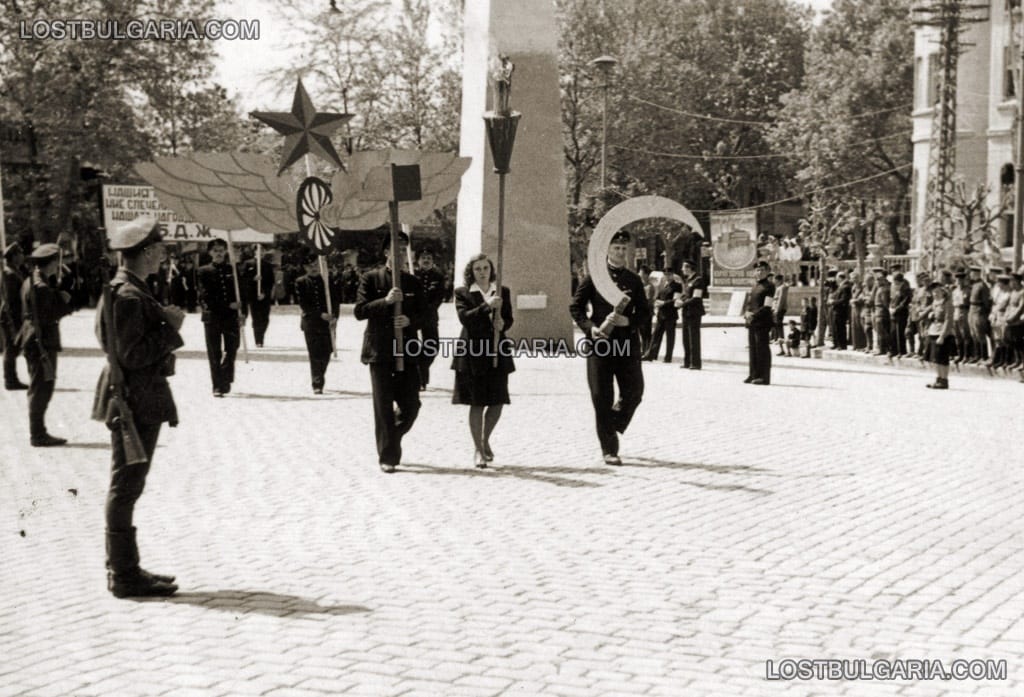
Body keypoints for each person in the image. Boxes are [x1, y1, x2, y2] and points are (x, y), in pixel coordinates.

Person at [93, 217, 183, 598]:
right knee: (126, 485)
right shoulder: (128, 295)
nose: (162, 255)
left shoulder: (128, 289)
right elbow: (133, 355)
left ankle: (125, 568)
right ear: (145, 252)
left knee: (128, 484)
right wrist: (170, 327)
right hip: (136, 399)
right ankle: (124, 574)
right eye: (159, 249)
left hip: (135, 397)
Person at [569, 230, 651, 466]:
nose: (620, 252)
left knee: (635, 391)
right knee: (601, 396)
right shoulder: (595, 277)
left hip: (626, 343)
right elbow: (576, 307)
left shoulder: (633, 280)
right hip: (600, 344)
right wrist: (589, 328)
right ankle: (609, 449)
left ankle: (611, 423)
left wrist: (630, 321)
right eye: (616, 248)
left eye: (624, 249)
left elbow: (645, 313)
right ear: (608, 250)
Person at [354, 232, 426, 473]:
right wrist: (385, 301)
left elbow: (426, 316)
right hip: (380, 351)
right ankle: (388, 456)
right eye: (395, 249)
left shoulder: (414, 282)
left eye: (404, 249)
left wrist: (410, 320)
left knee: (411, 406)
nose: (400, 254)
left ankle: (390, 437)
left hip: (406, 350)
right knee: (383, 406)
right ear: (386, 252)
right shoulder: (371, 278)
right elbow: (360, 311)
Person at [451, 253, 514, 468]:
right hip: (472, 352)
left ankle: (485, 439)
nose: (482, 272)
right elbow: (465, 318)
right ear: (471, 272)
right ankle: (478, 448)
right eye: (477, 269)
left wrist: (503, 325)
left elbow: (509, 319)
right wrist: (487, 306)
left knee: (497, 400)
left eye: (485, 268)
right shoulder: (462, 293)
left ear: (491, 270)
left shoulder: (502, 291)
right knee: (477, 401)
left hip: (497, 350)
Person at [18, 244, 76, 446]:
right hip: (41, 340)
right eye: (55, 262)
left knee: (39, 386)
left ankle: (38, 431)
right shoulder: (41, 287)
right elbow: (48, 315)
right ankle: (38, 434)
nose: (57, 267)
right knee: (42, 387)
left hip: (33, 337)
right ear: (50, 263)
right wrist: (63, 301)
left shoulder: (32, 281)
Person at [197, 238, 243, 397]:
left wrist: (242, 313)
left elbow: (241, 294)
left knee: (233, 348)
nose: (219, 254)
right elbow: (205, 296)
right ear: (210, 253)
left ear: (226, 252)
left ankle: (225, 375)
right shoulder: (203, 271)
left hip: (231, 317)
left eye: (221, 250)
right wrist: (227, 305)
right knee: (214, 352)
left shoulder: (234, 271)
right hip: (213, 317)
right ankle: (217, 385)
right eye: (215, 251)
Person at [294, 252, 340, 394]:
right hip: (311, 322)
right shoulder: (301, 282)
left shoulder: (327, 280)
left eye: (315, 265)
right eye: (309, 266)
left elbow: (335, 301)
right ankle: (317, 383)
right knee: (314, 353)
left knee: (327, 351)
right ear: (305, 267)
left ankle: (320, 375)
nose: (313, 268)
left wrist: (335, 318)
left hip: (328, 323)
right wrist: (320, 314)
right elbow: (303, 304)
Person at [415, 249, 447, 390]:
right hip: (413, 316)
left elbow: (439, 297)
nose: (426, 260)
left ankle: (421, 373)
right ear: (418, 261)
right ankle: (420, 380)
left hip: (429, 316)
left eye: (429, 258)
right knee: (411, 347)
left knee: (432, 348)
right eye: (423, 258)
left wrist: (428, 309)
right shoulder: (412, 275)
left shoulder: (438, 276)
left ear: (433, 261)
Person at [742, 260, 776, 385]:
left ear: (767, 272)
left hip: (762, 321)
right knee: (753, 349)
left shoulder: (770, 286)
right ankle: (753, 374)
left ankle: (763, 376)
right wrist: (746, 313)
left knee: (762, 349)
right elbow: (749, 303)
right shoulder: (755, 286)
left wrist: (753, 315)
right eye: (757, 270)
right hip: (752, 321)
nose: (759, 272)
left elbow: (767, 306)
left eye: (762, 270)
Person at [2, 242, 28, 390]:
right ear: (14, 257)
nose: (23, 256)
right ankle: (10, 380)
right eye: (20, 254)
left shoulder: (15, 271)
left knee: (12, 348)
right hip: (10, 316)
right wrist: (14, 322)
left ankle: (11, 378)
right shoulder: (9, 274)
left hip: (13, 315)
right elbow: (11, 300)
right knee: (10, 349)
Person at [643, 267, 681, 362]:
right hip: (661, 314)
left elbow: (675, 300)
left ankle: (668, 357)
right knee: (656, 335)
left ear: (673, 275)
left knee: (670, 336)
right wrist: (656, 301)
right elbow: (658, 296)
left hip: (670, 314)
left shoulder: (677, 286)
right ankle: (651, 355)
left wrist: (663, 303)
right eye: (666, 274)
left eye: (669, 274)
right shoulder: (663, 285)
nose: (668, 276)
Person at [678, 259, 706, 370]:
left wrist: (682, 303)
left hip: (694, 312)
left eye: (684, 267)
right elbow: (686, 294)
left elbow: (696, 297)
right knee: (686, 338)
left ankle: (695, 363)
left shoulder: (698, 280)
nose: (682, 269)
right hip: (686, 312)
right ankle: (687, 361)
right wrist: (679, 300)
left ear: (689, 268)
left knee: (693, 338)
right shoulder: (688, 280)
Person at [925, 281, 954, 390]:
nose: (935, 294)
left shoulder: (947, 303)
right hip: (933, 331)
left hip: (942, 332)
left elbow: (948, 320)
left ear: (943, 292)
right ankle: (938, 378)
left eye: (937, 292)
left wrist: (942, 335)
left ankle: (944, 380)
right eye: (934, 292)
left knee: (942, 358)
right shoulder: (935, 302)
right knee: (935, 358)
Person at [243, 249, 275, 347]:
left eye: (263, 251)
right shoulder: (248, 264)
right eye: (258, 251)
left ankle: (261, 334)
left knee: (265, 318)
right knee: (256, 317)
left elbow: (271, 282)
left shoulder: (268, 265)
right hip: (253, 296)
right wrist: (253, 279)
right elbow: (243, 279)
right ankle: (258, 340)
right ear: (255, 253)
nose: (261, 253)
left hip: (264, 296)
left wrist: (265, 293)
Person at [967, 265, 991, 364]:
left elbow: (986, 302)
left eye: (972, 273)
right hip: (972, 309)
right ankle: (976, 355)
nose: (970, 275)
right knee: (973, 334)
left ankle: (983, 356)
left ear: (976, 273)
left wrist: (985, 313)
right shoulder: (974, 285)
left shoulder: (982, 285)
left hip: (979, 310)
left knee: (980, 333)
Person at [888, 269, 912, 357]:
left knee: (900, 332)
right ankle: (893, 350)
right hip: (893, 311)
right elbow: (892, 299)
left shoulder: (905, 288)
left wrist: (896, 309)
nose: (895, 283)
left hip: (901, 312)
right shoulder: (893, 287)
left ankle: (901, 351)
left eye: (896, 281)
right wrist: (890, 307)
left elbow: (905, 301)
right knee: (893, 332)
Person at [871, 267, 892, 356]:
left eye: (879, 279)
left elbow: (885, 303)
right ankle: (881, 348)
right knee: (879, 331)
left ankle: (886, 349)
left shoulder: (884, 289)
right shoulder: (879, 288)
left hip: (881, 312)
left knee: (883, 331)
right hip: (878, 311)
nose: (877, 281)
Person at [771, 273, 789, 356]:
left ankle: (784, 349)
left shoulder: (782, 288)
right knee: (777, 329)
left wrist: (777, 310)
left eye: (775, 279)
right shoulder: (779, 287)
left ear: (778, 280)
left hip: (779, 310)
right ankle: (781, 348)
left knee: (779, 329)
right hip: (776, 309)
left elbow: (781, 299)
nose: (773, 281)